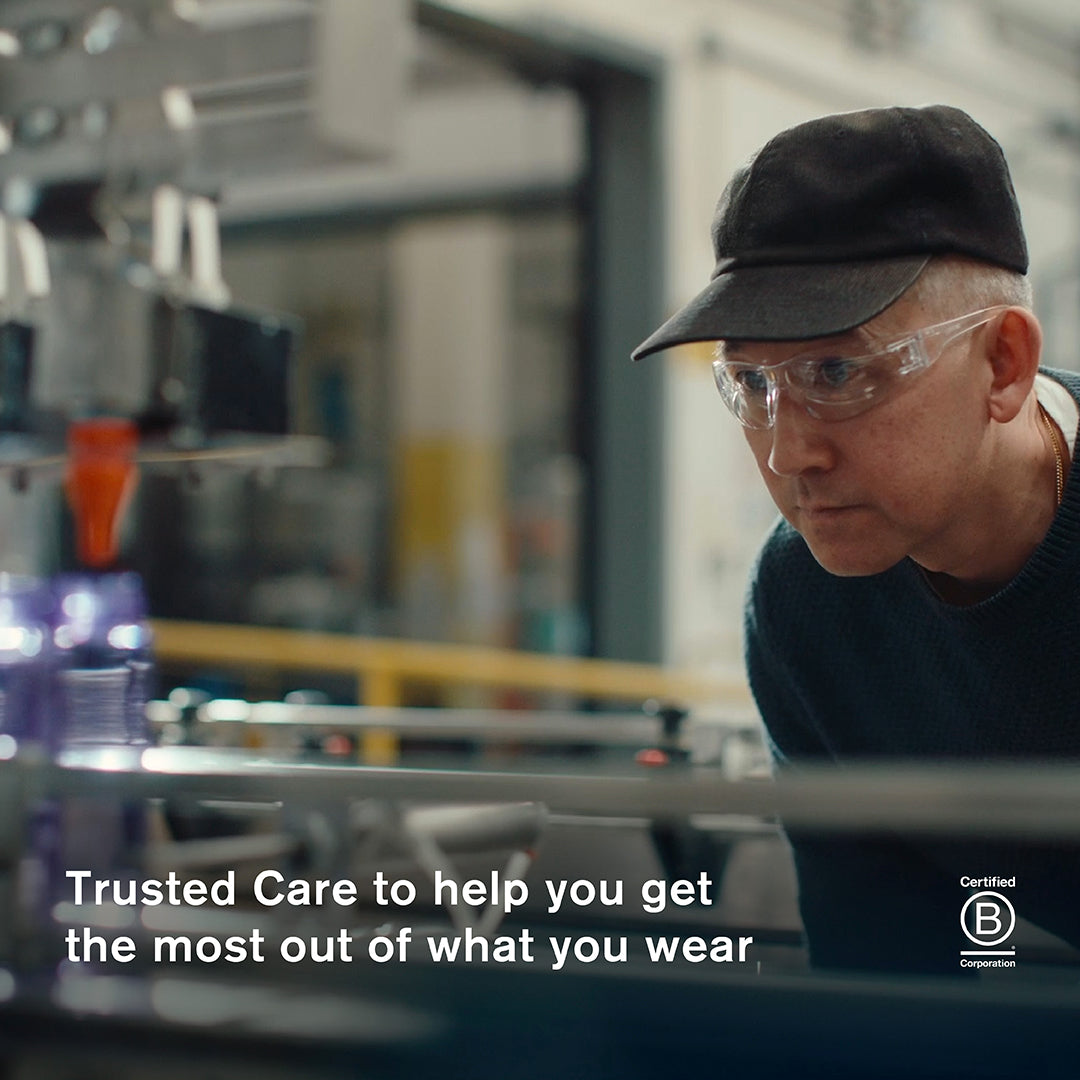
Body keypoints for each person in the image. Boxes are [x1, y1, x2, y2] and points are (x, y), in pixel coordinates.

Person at [632, 104, 1080, 974]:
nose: (786, 450)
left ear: (1003, 365)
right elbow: (885, 977)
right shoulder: (807, 607)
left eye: (838, 372)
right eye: (753, 384)